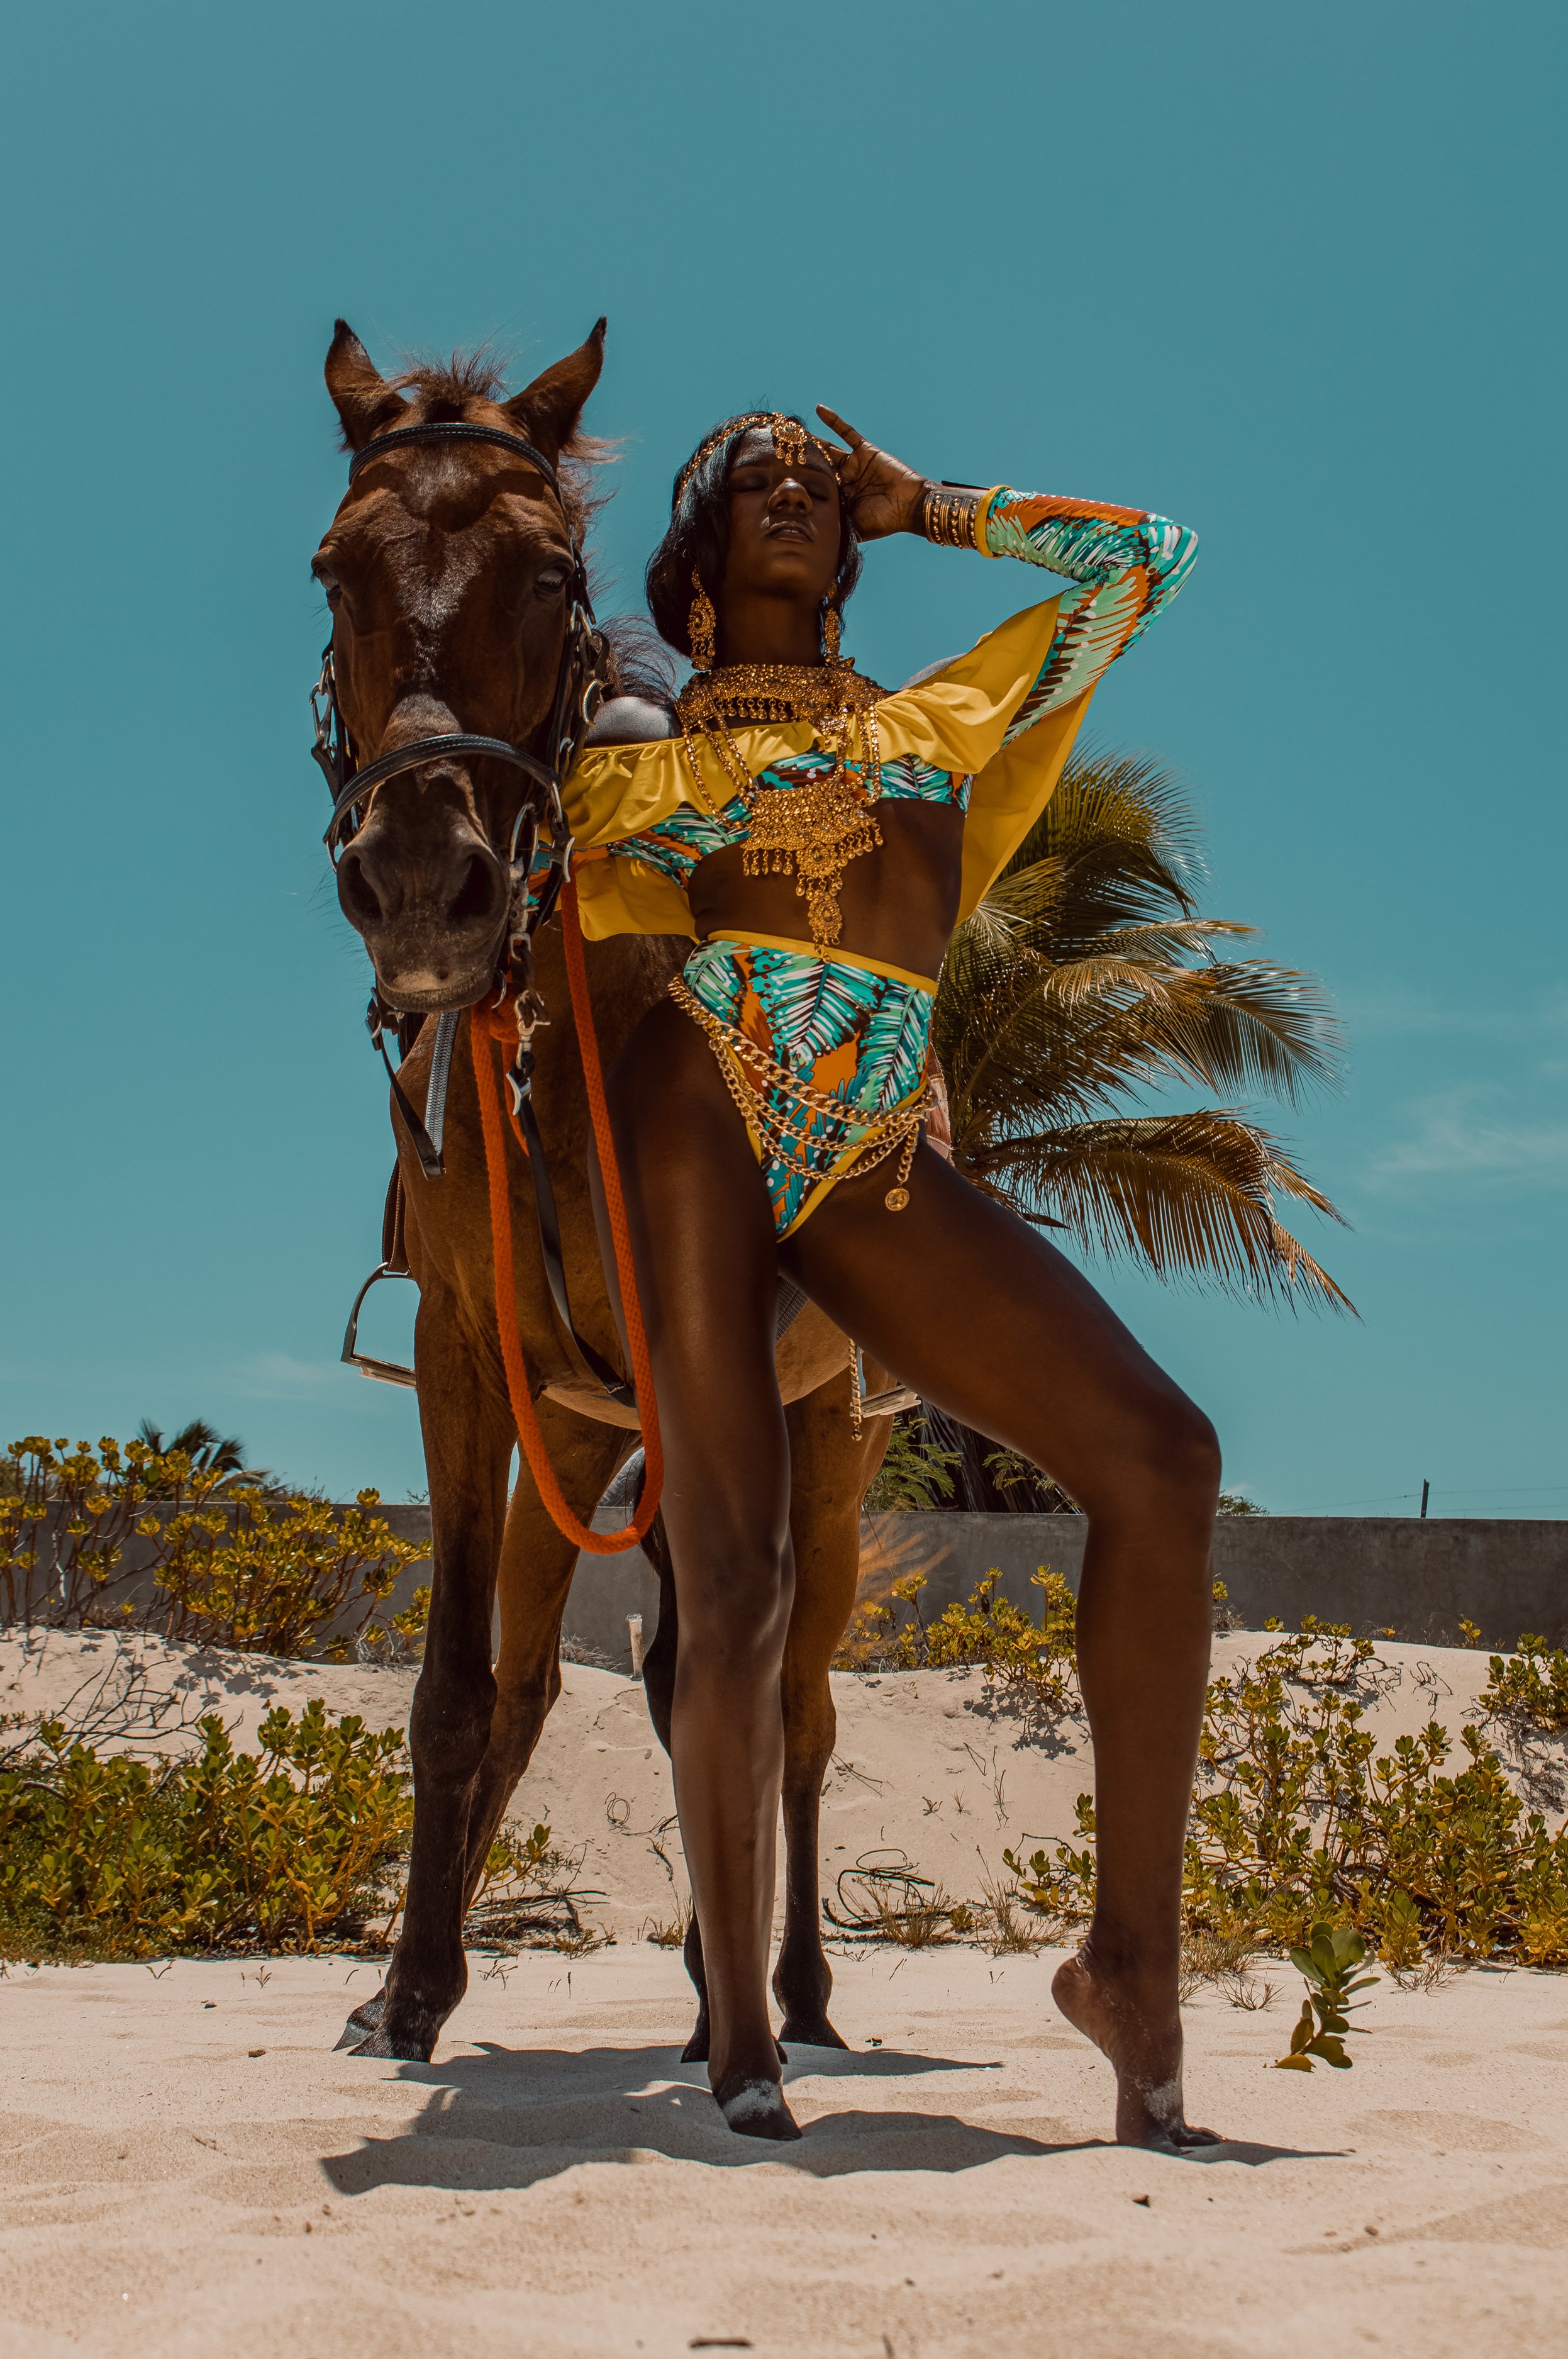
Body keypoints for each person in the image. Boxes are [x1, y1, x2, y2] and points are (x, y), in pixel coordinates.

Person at [564, 410, 1220, 2149]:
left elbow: (1143, 558)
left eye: (812, 476)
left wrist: (932, 506)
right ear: (697, 573)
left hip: (871, 1139)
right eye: (749, 478)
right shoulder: (624, 779)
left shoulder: (942, 720)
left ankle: (1130, 1970)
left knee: (1163, 1459)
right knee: (738, 1576)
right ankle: (737, 2037)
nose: (790, 484)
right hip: (700, 1094)